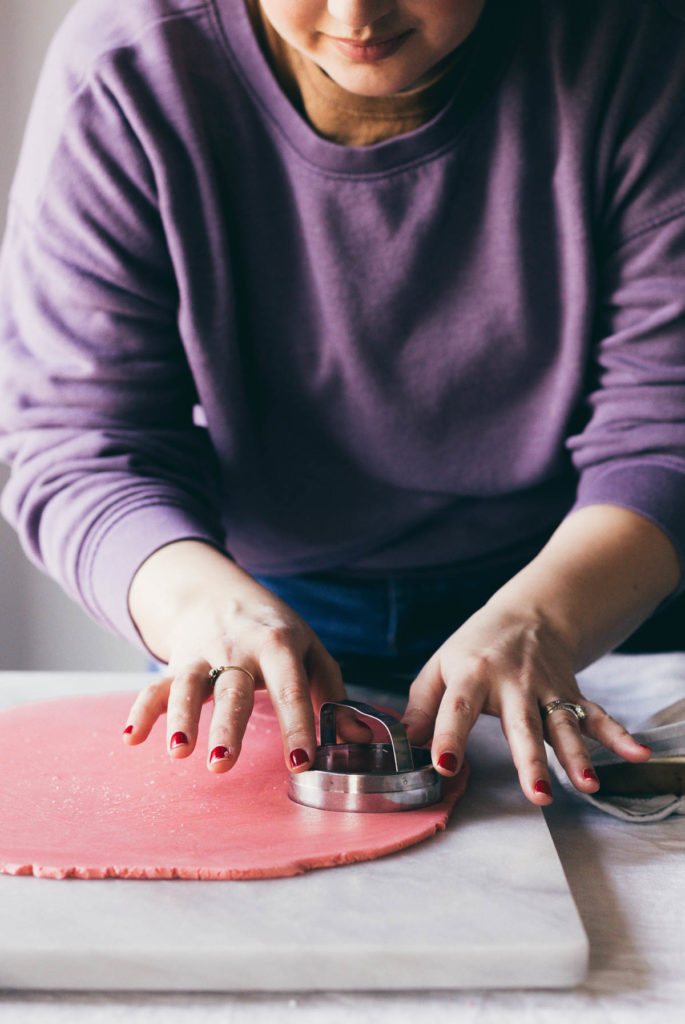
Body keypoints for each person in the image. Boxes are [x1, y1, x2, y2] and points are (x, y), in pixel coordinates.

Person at [1, 0, 685, 807]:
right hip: (248, 611)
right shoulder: (126, 68)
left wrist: (551, 620)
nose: (356, 12)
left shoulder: (643, 45)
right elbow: (80, 439)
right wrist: (200, 609)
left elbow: (662, 431)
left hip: (589, 594)